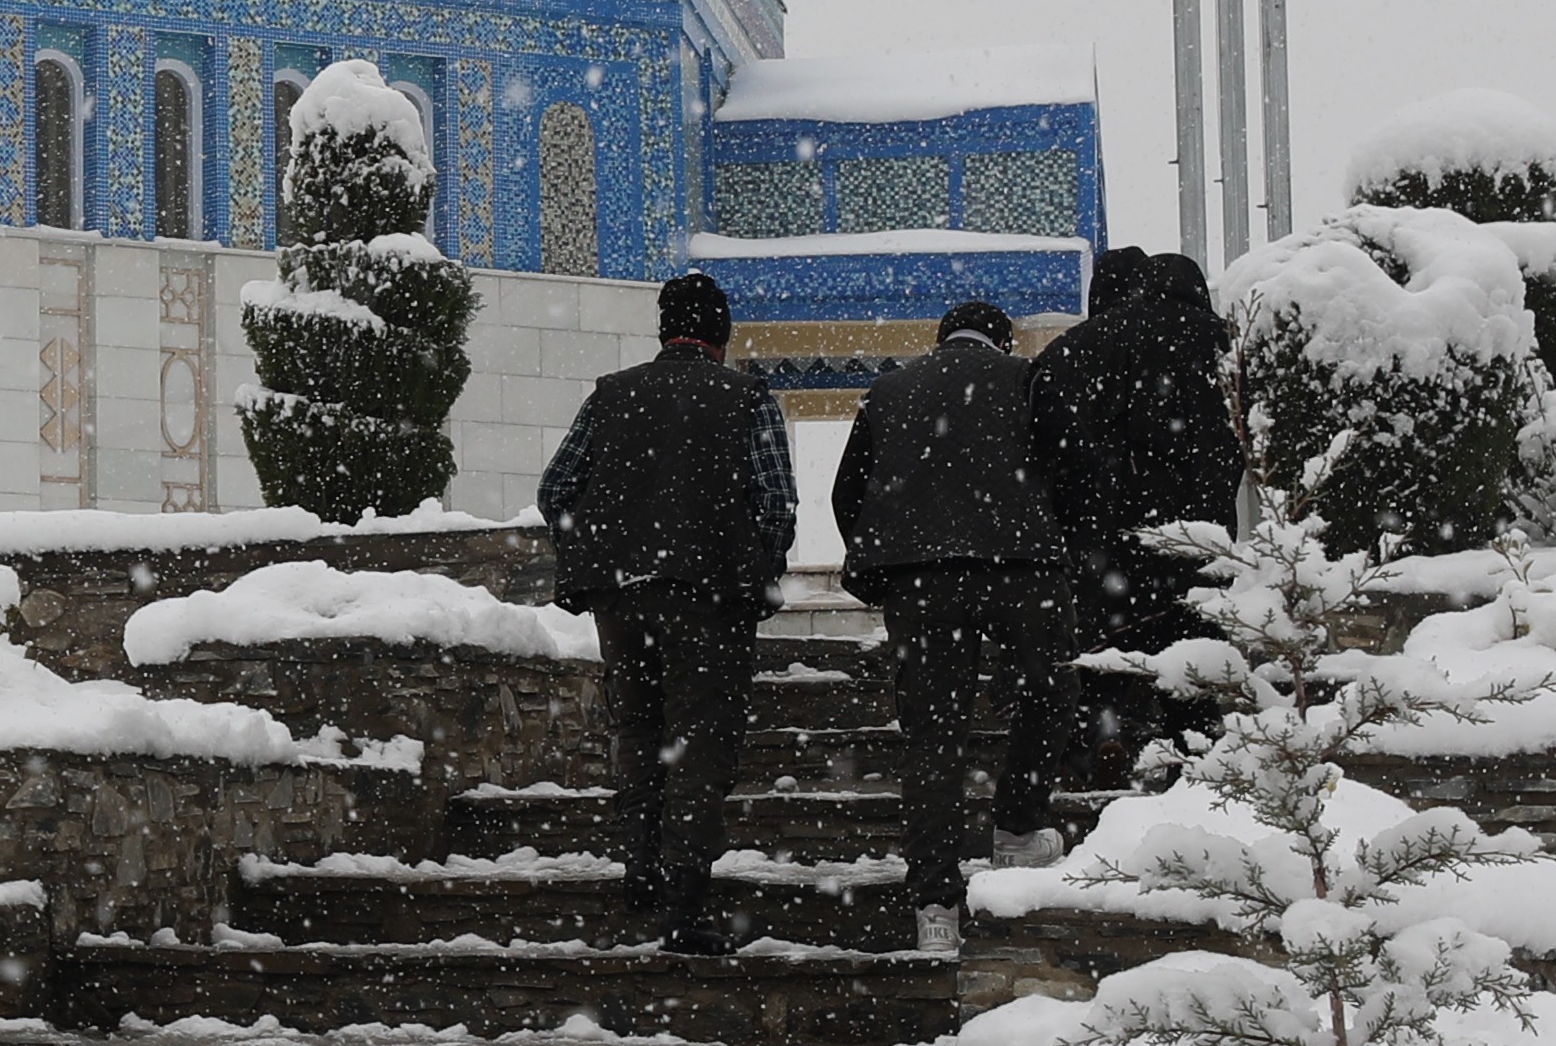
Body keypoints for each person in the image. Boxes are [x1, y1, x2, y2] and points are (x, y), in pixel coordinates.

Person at [533, 268, 802, 957]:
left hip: (623, 598)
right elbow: (776, 501)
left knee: (639, 731)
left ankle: (640, 869)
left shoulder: (611, 394)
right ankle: (683, 902)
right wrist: (756, 568)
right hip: (711, 598)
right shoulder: (746, 397)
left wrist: (598, 554)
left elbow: (556, 488)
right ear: (720, 336)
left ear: (664, 332)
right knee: (699, 744)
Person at [834, 295, 1078, 953]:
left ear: (943, 339)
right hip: (1021, 568)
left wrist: (885, 564)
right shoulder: (1027, 380)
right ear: (1002, 341)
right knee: (1050, 688)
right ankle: (1017, 824)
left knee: (933, 739)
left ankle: (935, 906)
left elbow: (847, 494)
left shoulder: (889, 390)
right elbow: (1070, 474)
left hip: (921, 579)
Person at [1033, 245, 1244, 781]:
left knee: (1101, 655)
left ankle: (1095, 748)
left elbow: (1044, 443)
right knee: (1191, 663)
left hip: (1105, 542)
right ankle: (1194, 760)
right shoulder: (1226, 344)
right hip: (1200, 542)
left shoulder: (1077, 348)